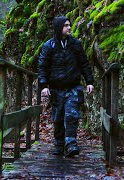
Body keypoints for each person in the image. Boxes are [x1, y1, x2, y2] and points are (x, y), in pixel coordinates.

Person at [38, 16, 95, 157]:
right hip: (56, 88)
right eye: (66, 25)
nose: (69, 27)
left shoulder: (75, 44)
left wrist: (89, 81)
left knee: (72, 115)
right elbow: (42, 66)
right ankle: (59, 144)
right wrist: (44, 85)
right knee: (58, 118)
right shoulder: (49, 46)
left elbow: (84, 63)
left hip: (73, 87)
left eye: (69, 25)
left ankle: (71, 144)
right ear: (59, 27)